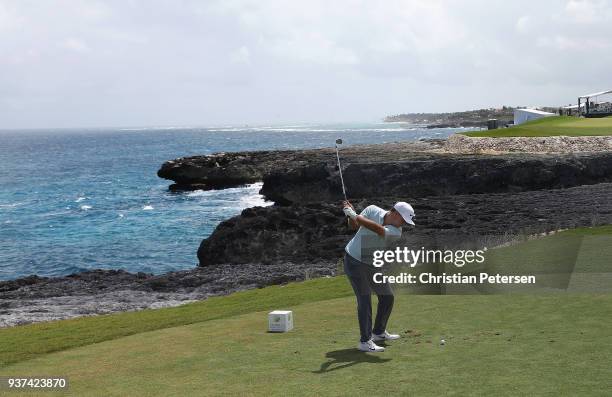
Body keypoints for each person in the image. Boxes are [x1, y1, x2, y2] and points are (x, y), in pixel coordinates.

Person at [342, 200, 415, 352]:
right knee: (365, 298)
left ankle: (378, 333)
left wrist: (354, 215)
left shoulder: (396, 232)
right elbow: (354, 225)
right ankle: (365, 341)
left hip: (372, 263)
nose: (404, 224)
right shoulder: (372, 209)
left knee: (387, 296)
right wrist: (350, 215)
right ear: (394, 213)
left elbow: (378, 229)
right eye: (403, 220)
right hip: (354, 260)